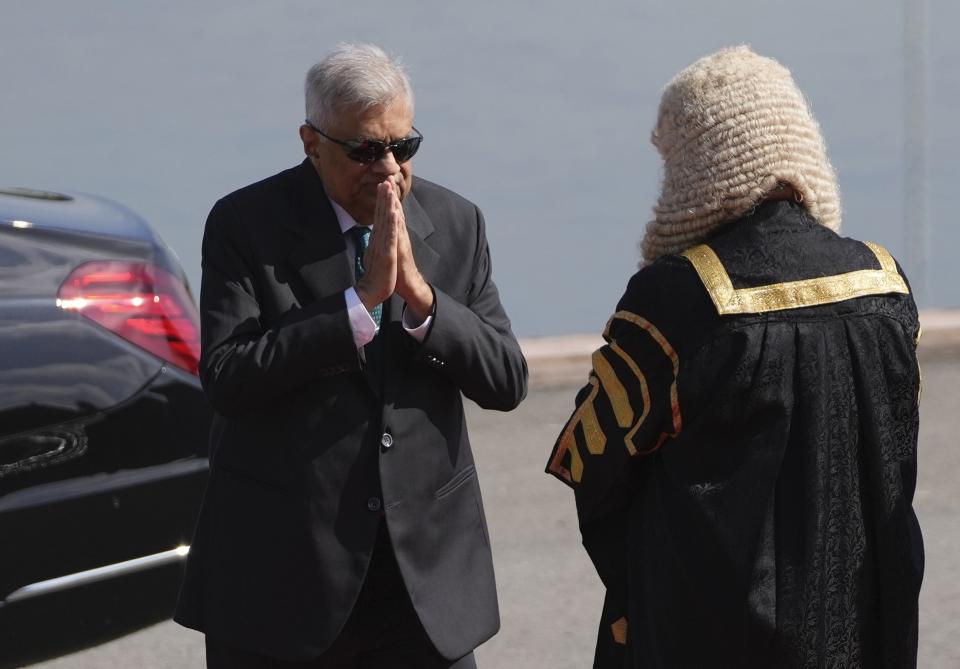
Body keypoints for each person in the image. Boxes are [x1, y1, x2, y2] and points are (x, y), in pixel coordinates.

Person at [546, 46, 923, 668]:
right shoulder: (886, 282)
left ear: (697, 162)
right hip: (865, 629)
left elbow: (594, 464)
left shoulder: (679, 295)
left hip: (718, 634)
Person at [175, 43, 527, 668]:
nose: (388, 168)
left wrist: (422, 299)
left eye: (403, 146)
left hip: (424, 585)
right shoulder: (244, 224)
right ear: (311, 143)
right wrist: (358, 305)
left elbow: (506, 379)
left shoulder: (457, 222)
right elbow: (228, 377)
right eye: (366, 150)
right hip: (283, 585)